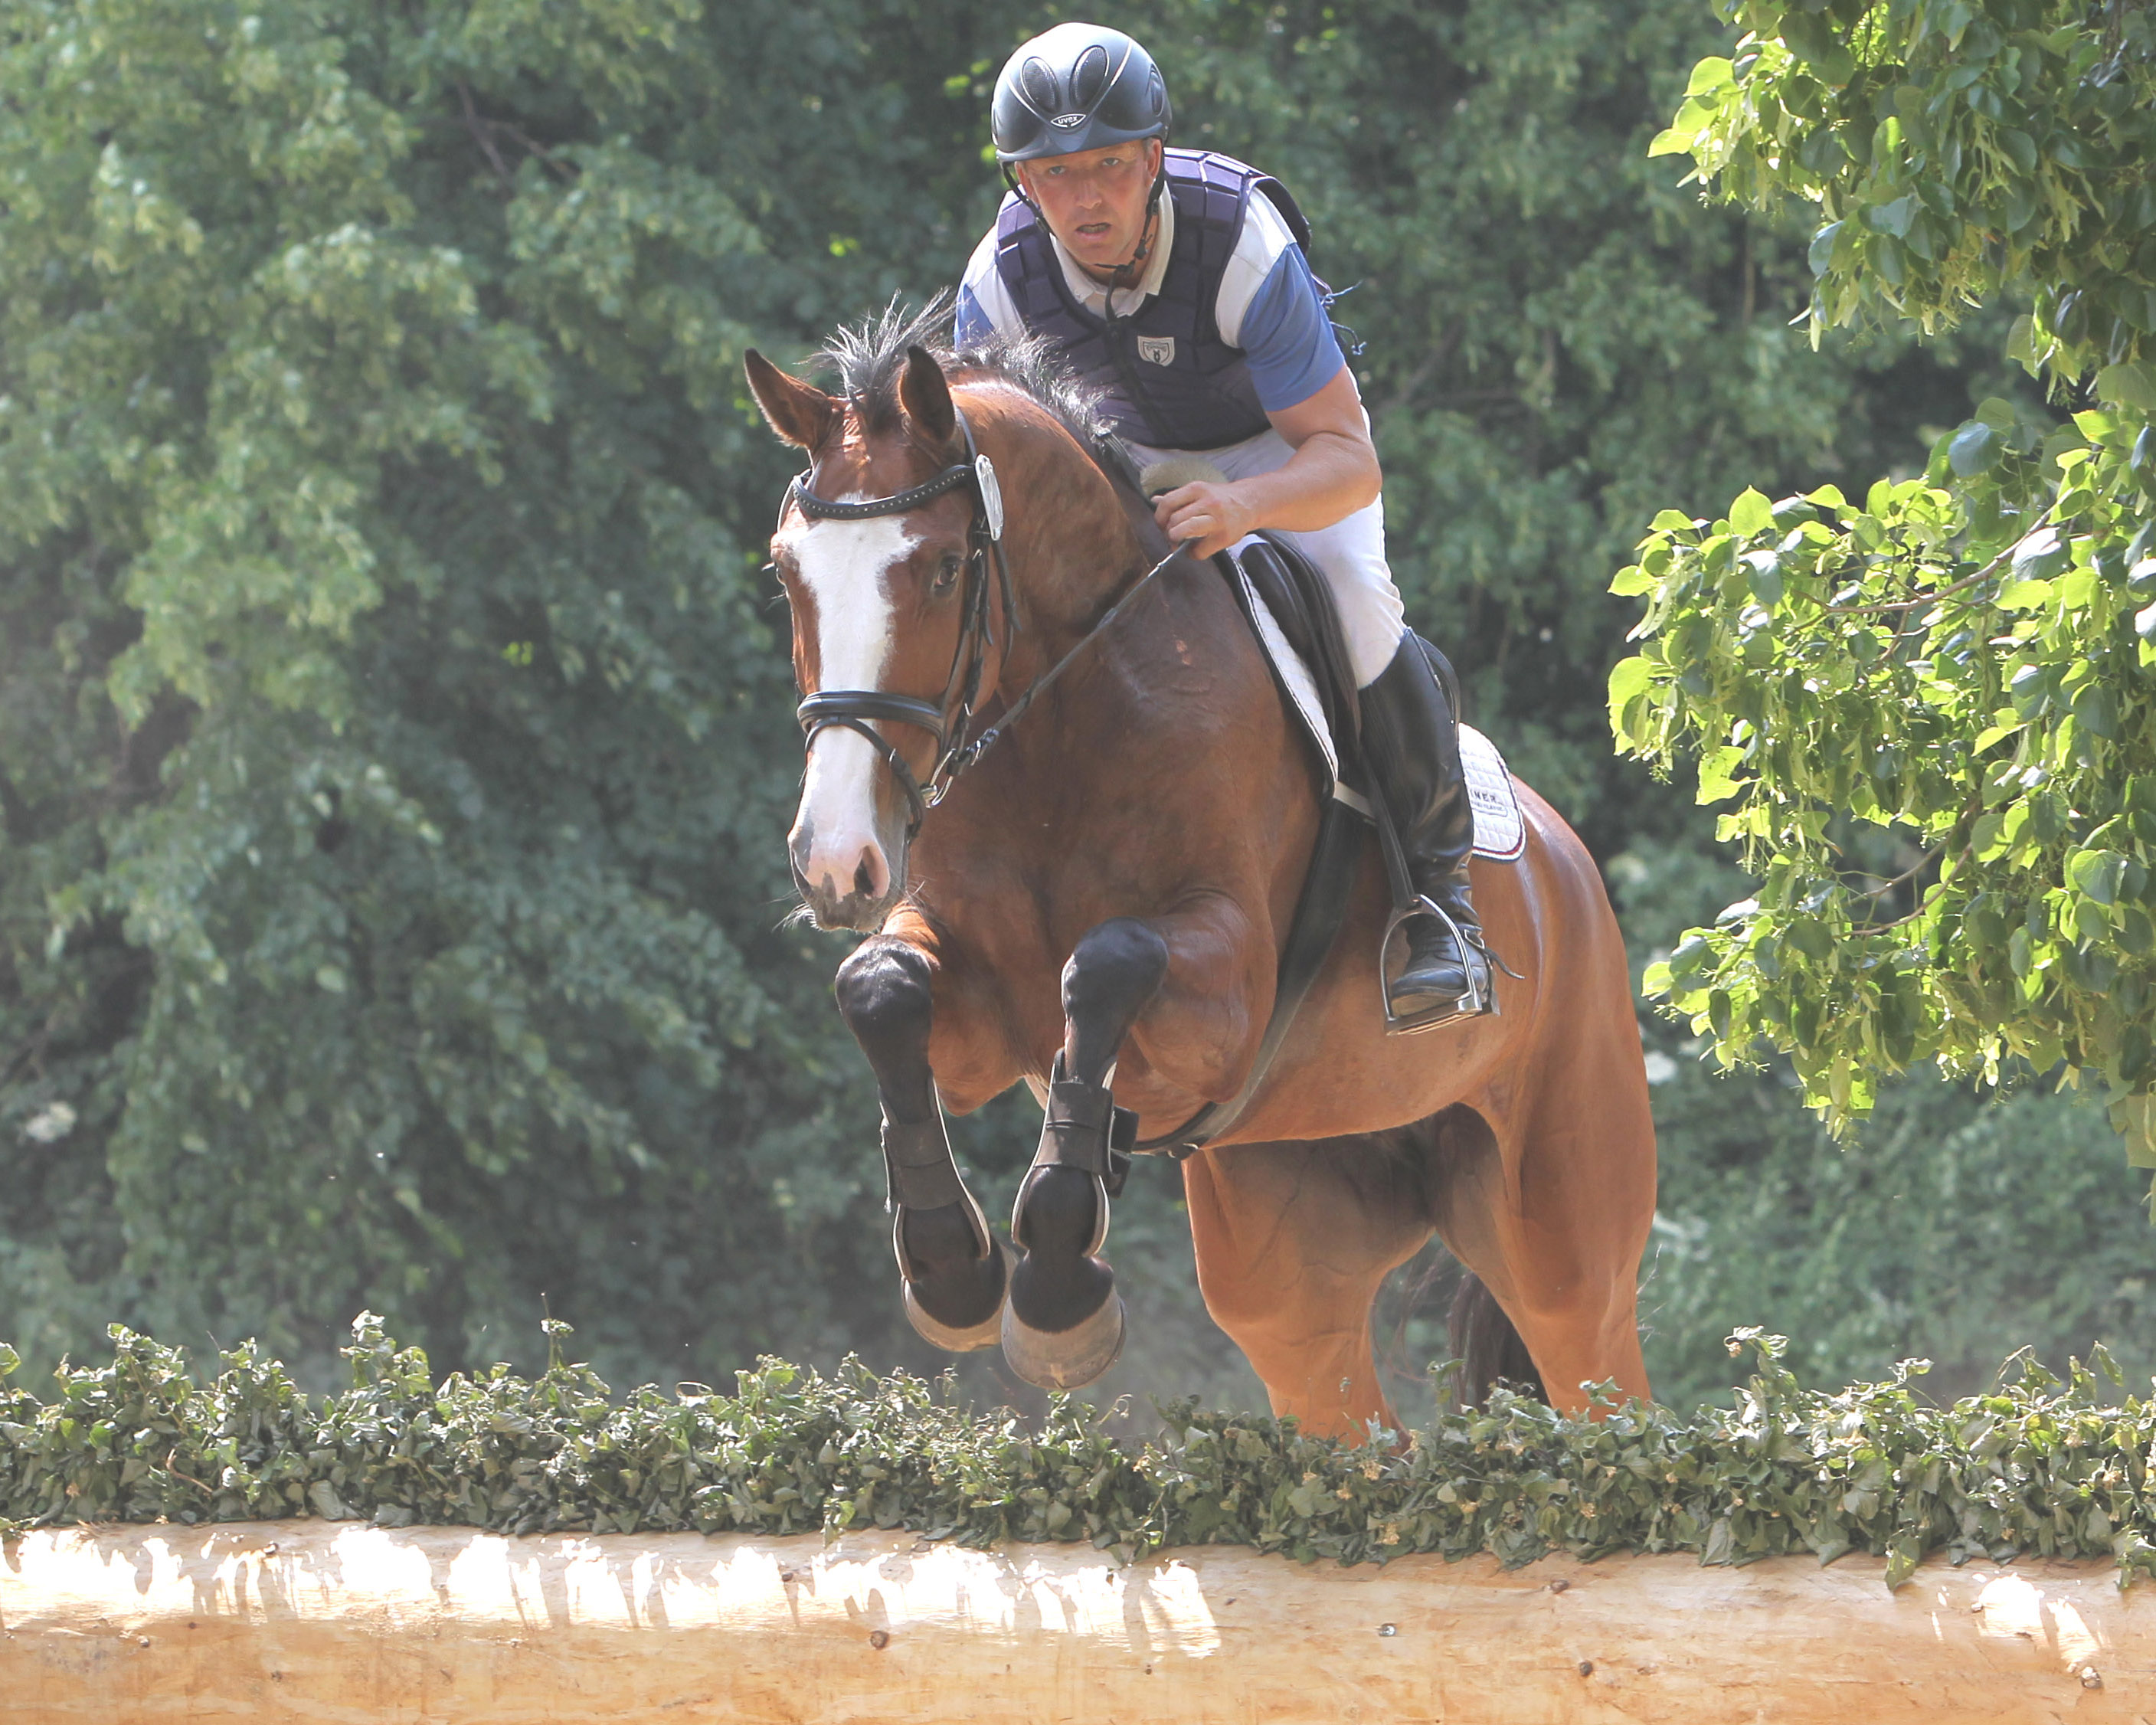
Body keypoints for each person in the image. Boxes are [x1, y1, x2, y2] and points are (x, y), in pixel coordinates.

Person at [954, 21, 1492, 1029]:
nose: (1084, 200)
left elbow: (1348, 457)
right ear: (1023, 183)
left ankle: (1440, 908)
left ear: (1152, 157)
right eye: (1054, 174)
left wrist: (1243, 504)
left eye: (1108, 166)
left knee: (1358, 601)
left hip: (1280, 457)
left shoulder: (1237, 239)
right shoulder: (1001, 280)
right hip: (1117, 474)